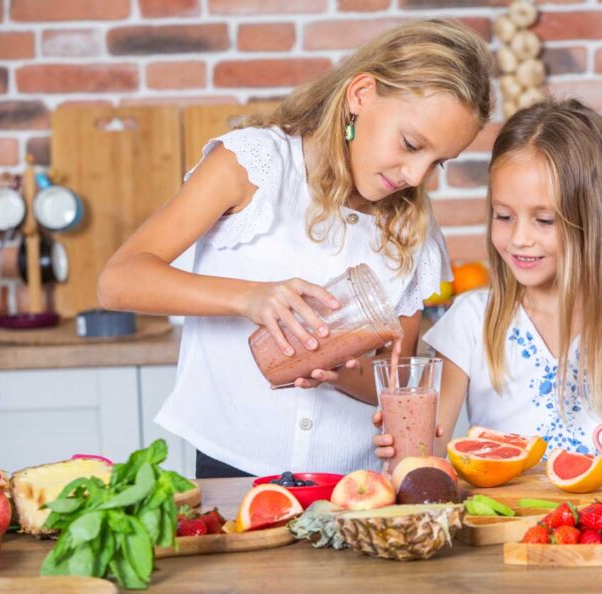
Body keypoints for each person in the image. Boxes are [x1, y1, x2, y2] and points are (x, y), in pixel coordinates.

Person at [98, 20, 494, 478]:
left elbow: (392, 381)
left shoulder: (414, 233)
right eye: (410, 145)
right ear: (361, 94)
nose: (417, 176)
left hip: (352, 480)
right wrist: (249, 297)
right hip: (235, 464)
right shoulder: (254, 165)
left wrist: (341, 373)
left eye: (437, 161)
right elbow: (119, 280)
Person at [374, 98, 602, 464]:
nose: (519, 238)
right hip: (508, 520)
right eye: (504, 216)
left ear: (591, 219)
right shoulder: (471, 320)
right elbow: (428, 450)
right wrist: (404, 446)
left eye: (544, 221)